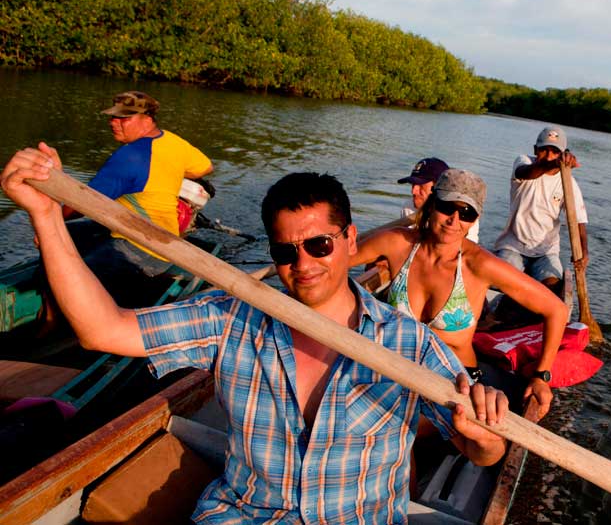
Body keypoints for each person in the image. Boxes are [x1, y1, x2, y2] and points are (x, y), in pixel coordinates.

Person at [1, 147, 508, 524]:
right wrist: (46, 217)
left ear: (350, 240)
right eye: (287, 252)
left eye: (319, 244)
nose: (303, 264)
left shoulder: (410, 345)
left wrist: (481, 436)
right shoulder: (233, 319)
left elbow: (484, 455)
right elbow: (103, 329)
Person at [352, 169, 569, 418]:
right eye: (447, 207)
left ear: (475, 219)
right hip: (396, 370)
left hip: (454, 383)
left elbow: (556, 310)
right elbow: (333, 263)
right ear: (433, 204)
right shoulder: (397, 243)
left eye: (466, 213)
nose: (454, 220)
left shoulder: (479, 265)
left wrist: (541, 376)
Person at [61, 91, 214, 303]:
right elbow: (205, 167)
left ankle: (51, 319)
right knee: (71, 234)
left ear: (147, 119)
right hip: (166, 244)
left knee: (61, 261)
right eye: (113, 117)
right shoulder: (173, 142)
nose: (114, 123)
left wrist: (50, 219)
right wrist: (171, 170)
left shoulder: (129, 156)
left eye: (124, 118)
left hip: (139, 248)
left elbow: (80, 205)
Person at [493, 126, 588, 293]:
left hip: (546, 251)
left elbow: (579, 222)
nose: (549, 156)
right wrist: (554, 164)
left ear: (562, 154)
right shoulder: (524, 162)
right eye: (544, 150)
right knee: (499, 284)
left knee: (553, 289)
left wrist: (584, 253)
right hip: (513, 246)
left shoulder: (569, 183)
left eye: (555, 152)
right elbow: (527, 173)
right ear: (535, 150)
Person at [397, 157, 479, 243]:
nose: (413, 191)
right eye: (413, 185)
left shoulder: (465, 216)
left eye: (421, 186)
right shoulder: (408, 206)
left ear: (438, 188)